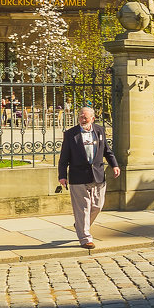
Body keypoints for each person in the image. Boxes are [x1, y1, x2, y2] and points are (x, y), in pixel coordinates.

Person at [58, 106, 120, 248]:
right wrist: (62, 176)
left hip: (98, 175)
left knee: (97, 206)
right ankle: (85, 238)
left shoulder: (99, 130)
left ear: (92, 118)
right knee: (83, 208)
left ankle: (80, 225)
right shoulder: (70, 134)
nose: (82, 119)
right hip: (78, 176)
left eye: (85, 117)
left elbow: (107, 151)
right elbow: (64, 158)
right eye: (80, 116)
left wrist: (114, 165)